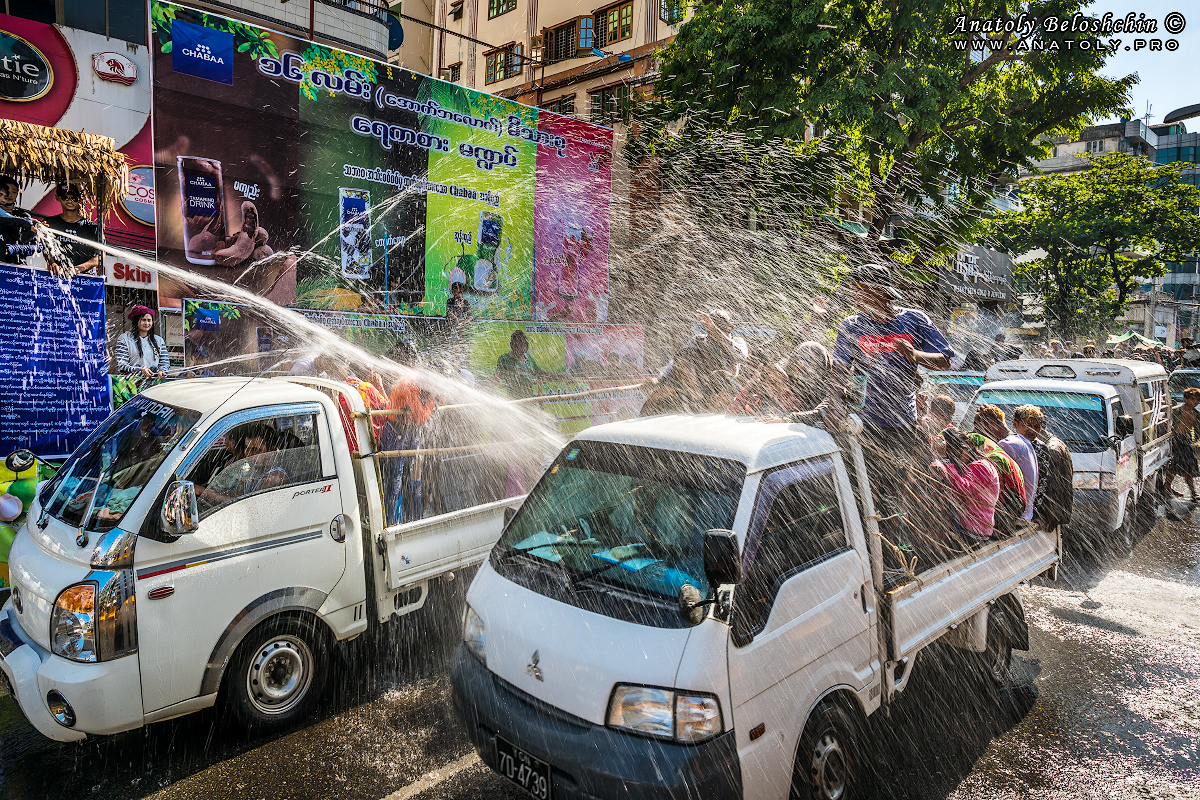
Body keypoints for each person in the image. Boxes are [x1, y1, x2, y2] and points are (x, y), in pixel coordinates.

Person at [827, 263, 953, 498]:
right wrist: (834, 403)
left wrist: (915, 354)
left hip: (902, 424)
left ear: (880, 292)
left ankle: (891, 528)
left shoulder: (914, 320)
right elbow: (840, 370)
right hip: (863, 422)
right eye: (854, 291)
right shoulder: (851, 325)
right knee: (858, 490)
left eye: (860, 291)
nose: (855, 298)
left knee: (893, 492)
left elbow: (946, 360)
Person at [385, 341, 437, 524]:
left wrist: (434, 397)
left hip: (411, 433)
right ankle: (390, 525)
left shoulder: (419, 383)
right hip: (396, 435)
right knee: (395, 484)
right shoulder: (410, 384)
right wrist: (433, 399)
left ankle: (416, 522)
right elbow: (422, 418)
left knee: (416, 483)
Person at [967, 405, 1029, 535]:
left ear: (990, 424)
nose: (976, 432)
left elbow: (994, 493)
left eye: (978, 428)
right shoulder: (1013, 441)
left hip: (1011, 513)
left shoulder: (1000, 448)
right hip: (1020, 509)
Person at [930, 429, 1001, 542]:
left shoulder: (981, 466)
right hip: (970, 525)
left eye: (957, 453)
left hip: (974, 529)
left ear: (968, 446)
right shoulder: (973, 465)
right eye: (951, 455)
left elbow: (962, 490)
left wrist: (945, 459)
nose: (955, 459)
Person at [42, 184, 102, 277]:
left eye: (74, 198)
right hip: (58, 276)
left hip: (85, 278)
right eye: (65, 197)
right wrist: (53, 264)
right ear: (58, 198)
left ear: (80, 200)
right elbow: (46, 248)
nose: (69, 201)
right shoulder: (49, 223)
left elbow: (100, 256)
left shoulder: (92, 227)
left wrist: (79, 269)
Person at [1028, 412, 1074, 530]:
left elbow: (1052, 488)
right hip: (1057, 514)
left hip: (1051, 516)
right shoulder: (1054, 443)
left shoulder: (1051, 450)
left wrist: (1044, 516)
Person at [1164, 387, 1200, 502]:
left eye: (1198, 400)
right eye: (1193, 399)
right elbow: (1167, 423)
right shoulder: (1177, 410)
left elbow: (1198, 429)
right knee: (1180, 466)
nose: (1195, 402)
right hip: (1176, 439)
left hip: (1186, 439)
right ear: (1185, 399)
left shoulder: (1196, 413)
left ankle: (1167, 487)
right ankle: (1192, 493)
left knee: (1183, 466)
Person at [115, 305, 169, 378]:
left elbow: (165, 363)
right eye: (143, 320)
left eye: (149, 320)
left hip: (155, 383)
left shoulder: (159, 340)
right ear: (136, 321)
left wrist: (162, 371)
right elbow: (122, 365)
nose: (147, 323)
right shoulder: (124, 339)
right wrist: (140, 370)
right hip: (131, 382)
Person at [0, 176, 35, 264]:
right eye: (5, 191)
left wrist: (13, 249)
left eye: (14, 192)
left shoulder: (24, 216)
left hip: (17, 267)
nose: (9, 195)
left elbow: (34, 247)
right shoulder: (21, 220)